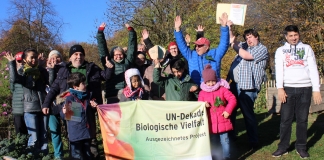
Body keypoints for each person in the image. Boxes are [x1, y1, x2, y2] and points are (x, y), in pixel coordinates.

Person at [42, 44, 113, 159]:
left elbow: (105, 76)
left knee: (90, 137)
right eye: (75, 54)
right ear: (70, 57)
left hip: (89, 106)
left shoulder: (92, 67)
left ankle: (92, 156)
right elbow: (54, 89)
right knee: (75, 137)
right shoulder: (63, 70)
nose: (78, 56)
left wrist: (109, 68)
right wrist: (46, 104)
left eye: (81, 54)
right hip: (71, 104)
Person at [272, 25, 322, 158]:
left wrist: (316, 89)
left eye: (296, 35)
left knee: (302, 120)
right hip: (288, 89)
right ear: (286, 37)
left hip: (305, 89)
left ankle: (301, 147)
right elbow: (279, 70)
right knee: (285, 120)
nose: (294, 38)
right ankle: (283, 147)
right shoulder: (280, 51)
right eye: (291, 36)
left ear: (298, 35)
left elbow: (313, 69)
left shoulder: (307, 48)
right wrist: (280, 88)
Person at [227, 28, 268, 148]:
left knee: (248, 115)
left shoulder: (261, 49)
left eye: (250, 37)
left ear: (257, 37)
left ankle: (253, 141)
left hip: (248, 87)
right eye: (246, 38)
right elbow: (232, 41)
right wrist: (229, 28)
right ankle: (231, 138)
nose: (248, 40)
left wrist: (233, 45)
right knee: (230, 113)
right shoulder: (244, 46)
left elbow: (246, 56)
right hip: (234, 85)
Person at [5, 48, 52, 154]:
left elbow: (51, 82)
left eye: (35, 57)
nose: (34, 60)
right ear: (25, 59)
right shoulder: (23, 72)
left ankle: (44, 157)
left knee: (44, 139)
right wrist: (12, 63)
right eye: (32, 57)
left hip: (43, 108)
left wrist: (48, 68)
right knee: (33, 139)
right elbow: (14, 79)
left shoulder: (41, 71)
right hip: (30, 109)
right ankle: (32, 157)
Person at [173, 13, 230, 85]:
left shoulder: (215, 54)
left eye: (199, 46)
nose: (197, 48)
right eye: (196, 45)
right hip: (197, 91)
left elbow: (224, 44)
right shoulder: (191, 55)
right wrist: (177, 29)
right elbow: (181, 45)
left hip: (213, 89)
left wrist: (224, 27)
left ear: (207, 47)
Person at [198, 64, 236, 160]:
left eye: (213, 81)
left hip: (223, 120)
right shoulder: (202, 93)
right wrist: (203, 104)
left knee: (225, 140)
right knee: (214, 141)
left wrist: (228, 110)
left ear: (216, 79)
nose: (211, 84)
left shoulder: (222, 89)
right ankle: (216, 157)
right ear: (205, 82)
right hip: (211, 123)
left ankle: (226, 157)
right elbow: (199, 105)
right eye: (208, 82)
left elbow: (232, 99)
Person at [97, 22, 137, 104]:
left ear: (123, 54)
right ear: (112, 55)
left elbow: (132, 47)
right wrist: (100, 33)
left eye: (120, 54)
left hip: (126, 95)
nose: (118, 56)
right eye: (116, 55)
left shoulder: (128, 61)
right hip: (112, 96)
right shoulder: (108, 62)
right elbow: (102, 48)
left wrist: (131, 31)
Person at [60, 72, 97, 160]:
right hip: (76, 135)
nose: (85, 84)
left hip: (86, 133)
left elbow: (87, 113)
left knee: (87, 154)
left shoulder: (87, 96)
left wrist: (93, 107)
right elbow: (69, 116)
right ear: (75, 87)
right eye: (83, 83)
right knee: (77, 156)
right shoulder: (70, 98)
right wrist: (64, 112)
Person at [45, 50, 66, 160]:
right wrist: (51, 70)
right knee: (55, 131)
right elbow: (51, 84)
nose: (55, 59)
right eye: (52, 57)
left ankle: (75, 152)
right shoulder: (45, 71)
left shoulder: (66, 69)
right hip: (52, 106)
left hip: (66, 104)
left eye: (57, 57)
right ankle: (59, 155)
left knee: (71, 129)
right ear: (48, 60)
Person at [8, 51, 28, 135]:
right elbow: (12, 89)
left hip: (28, 109)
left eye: (22, 61)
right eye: (19, 61)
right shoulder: (13, 75)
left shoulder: (28, 72)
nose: (21, 63)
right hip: (18, 109)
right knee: (19, 134)